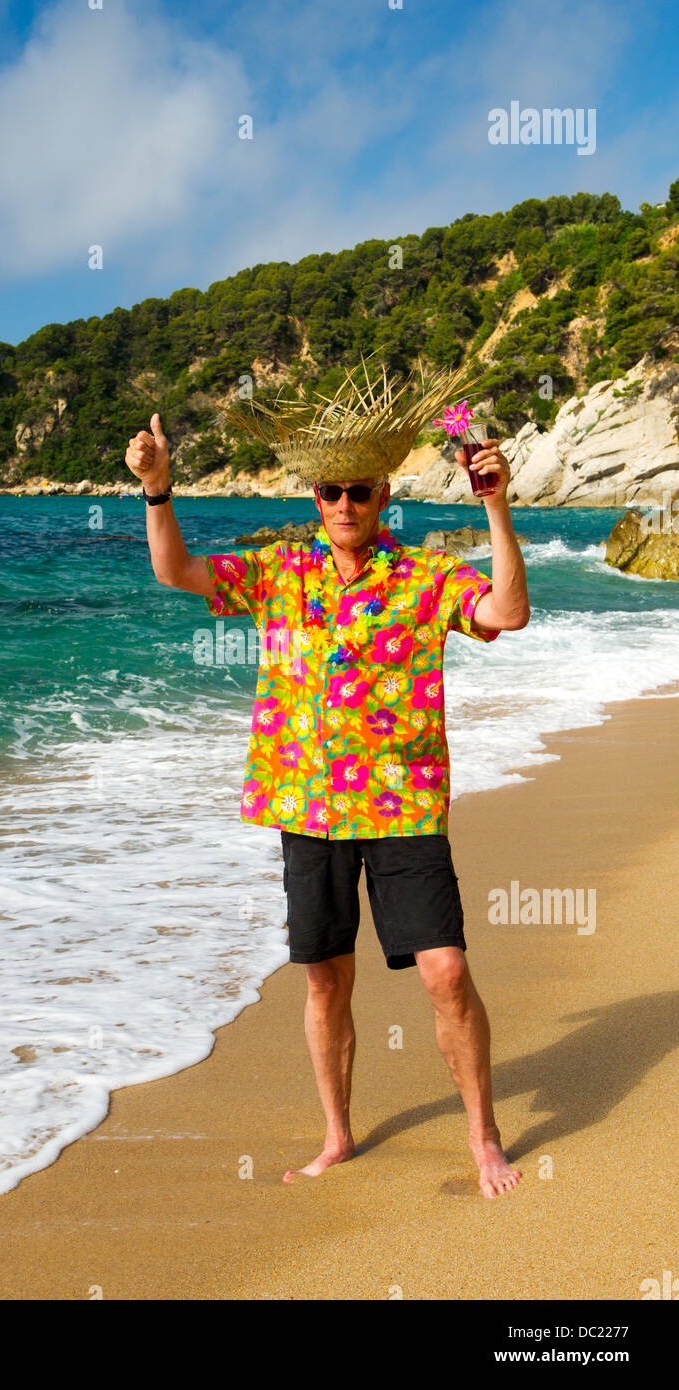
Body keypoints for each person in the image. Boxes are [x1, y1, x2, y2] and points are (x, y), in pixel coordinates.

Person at [124, 397, 530, 1199]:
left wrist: (495, 505)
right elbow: (177, 571)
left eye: (360, 491)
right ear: (315, 497)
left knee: (444, 972)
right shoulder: (281, 569)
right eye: (330, 492)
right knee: (324, 979)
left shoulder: (425, 577)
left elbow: (508, 612)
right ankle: (338, 1135)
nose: (343, 504)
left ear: (384, 495)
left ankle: (483, 1137)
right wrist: (159, 490)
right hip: (305, 807)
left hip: (404, 806)